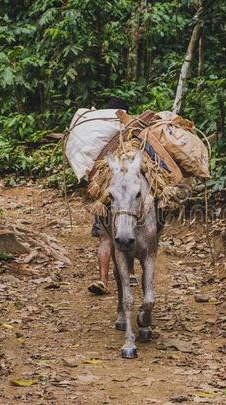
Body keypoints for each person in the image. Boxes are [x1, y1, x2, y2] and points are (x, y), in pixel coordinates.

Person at [87, 98, 138, 295]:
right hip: (129, 196)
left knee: (106, 239)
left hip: (107, 195)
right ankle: (131, 273)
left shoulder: (99, 137)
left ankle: (103, 280)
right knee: (129, 232)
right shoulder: (134, 134)